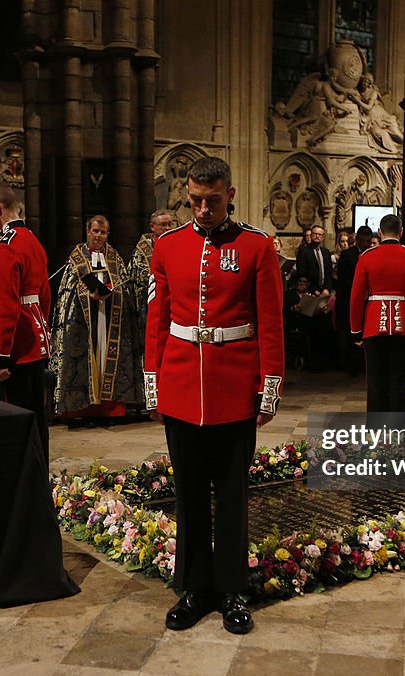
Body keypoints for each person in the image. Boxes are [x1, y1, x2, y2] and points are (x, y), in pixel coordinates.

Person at [144, 156, 283, 635]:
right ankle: (194, 587)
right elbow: (158, 318)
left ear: (230, 195)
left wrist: (270, 386)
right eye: (195, 200)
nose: (203, 209)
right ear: (186, 194)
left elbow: (270, 321)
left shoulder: (257, 246)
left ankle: (231, 590)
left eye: (213, 200)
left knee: (230, 495)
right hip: (182, 385)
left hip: (234, 386)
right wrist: (152, 380)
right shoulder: (167, 246)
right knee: (187, 495)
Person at [0, 181, 54, 464]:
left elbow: (6, 307)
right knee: (36, 418)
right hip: (35, 340)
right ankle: (38, 475)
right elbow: (45, 296)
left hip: (16, 347)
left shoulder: (6, 247)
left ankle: (21, 483)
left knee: (16, 418)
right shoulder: (32, 240)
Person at [51, 214, 141, 422]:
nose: (99, 236)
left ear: (108, 234)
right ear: (88, 231)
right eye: (95, 231)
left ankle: (110, 409)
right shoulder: (76, 257)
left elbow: (124, 285)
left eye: (103, 232)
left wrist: (112, 293)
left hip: (109, 319)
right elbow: (67, 292)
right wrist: (87, 295)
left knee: (106, 359)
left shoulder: (115, 257)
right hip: (83, 323)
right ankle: (81, 410)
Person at [350, 214, 405, 413]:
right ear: (401, 232)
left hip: (372, 327)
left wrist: (356, 330)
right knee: (399, 385)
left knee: (375, 385)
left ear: (380, 232)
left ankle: (376, 439)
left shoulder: (366, 257)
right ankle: (396, 439)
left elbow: (357, 297)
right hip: (404, 326)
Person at [128, 210, 176, 370]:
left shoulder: (177, 244)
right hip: (148, 310)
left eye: (170, 224)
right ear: (152, 227)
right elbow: (140, 282)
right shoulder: (141, 253)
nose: (168, 228)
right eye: (163, 225)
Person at [335, 225, 373, 374]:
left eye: (368, 241)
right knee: (351, 335)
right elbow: (344, 279)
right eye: (363, 241)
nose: (365, 244)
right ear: (357, 240)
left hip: (366, 301)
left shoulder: (372, 254)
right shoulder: (348, 255)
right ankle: (352, 367)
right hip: (349, 300)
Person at [295, 224, 334, 294]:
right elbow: (302, 272)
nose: (317, 236)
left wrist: (327, 288)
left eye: (320, 234)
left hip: (324, 291)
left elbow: (329, 272)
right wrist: (314, 290)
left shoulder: (326, 252)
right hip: (309, 290)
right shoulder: (303, 252)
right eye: (315, 234)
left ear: (323, 237)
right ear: (311, 235)